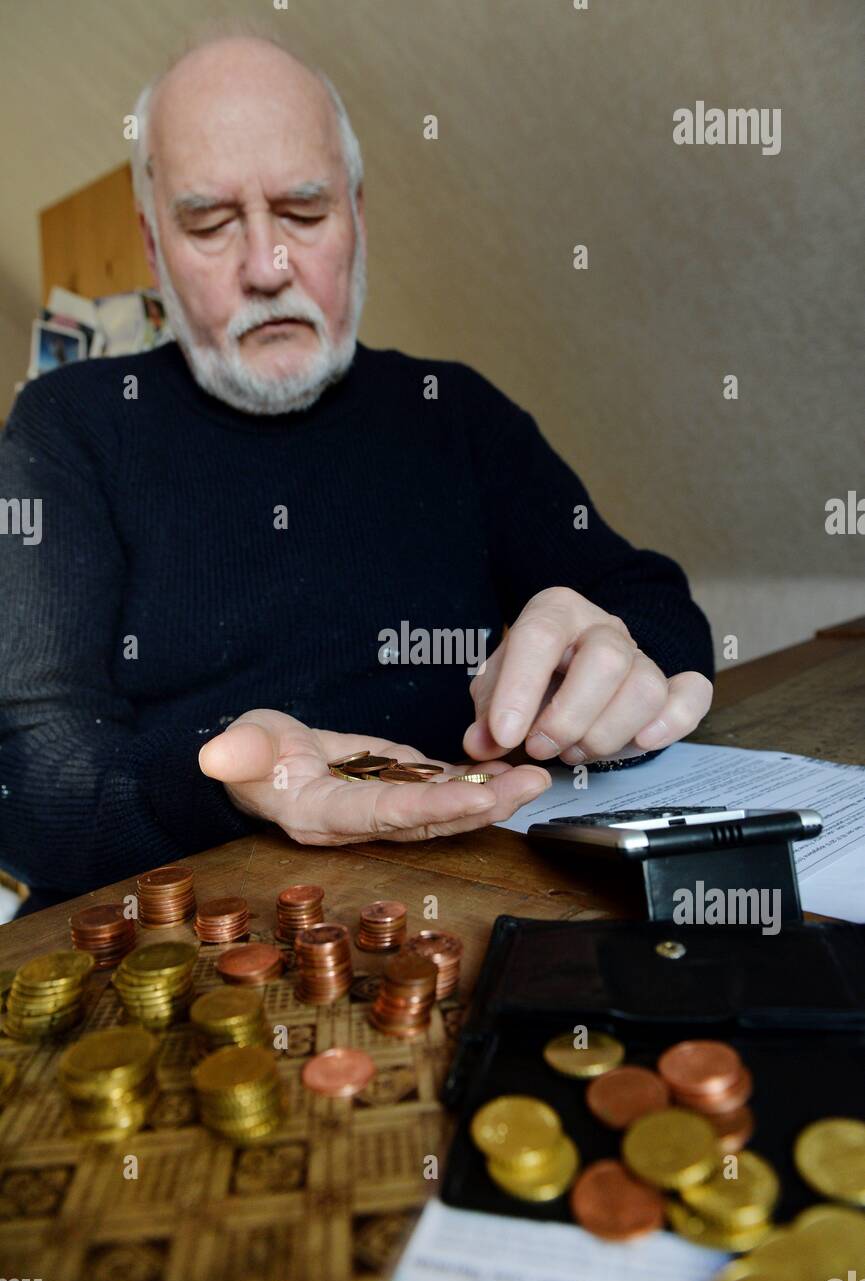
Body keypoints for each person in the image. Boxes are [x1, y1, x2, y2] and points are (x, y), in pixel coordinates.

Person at [0, 34, 713, 914]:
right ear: (152, 249)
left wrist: (610, 660)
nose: (267, 268)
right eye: (210, 223)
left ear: (357, 217)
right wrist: (224, 782)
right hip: (179, 923)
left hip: (470, 890)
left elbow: (654, 602)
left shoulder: (453, 410)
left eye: (303, 213)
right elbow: (27, 782)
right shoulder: (68, 424)